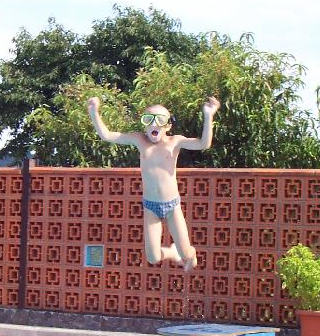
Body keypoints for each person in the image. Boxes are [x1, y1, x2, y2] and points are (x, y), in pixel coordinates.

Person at [87, 96, 220, 271]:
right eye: (148, 119)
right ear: (144, 125)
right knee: (153, 257)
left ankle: (190, 253)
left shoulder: (175, 142)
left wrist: (208, 116)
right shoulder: (139, 140)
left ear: (168, 126)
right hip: (150, 206)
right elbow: (107, 135)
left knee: (186, 254)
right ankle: (172, 252)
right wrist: (94, 113)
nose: (154, 124)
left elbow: (203, 144)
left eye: (160, 120)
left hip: (172, 206)